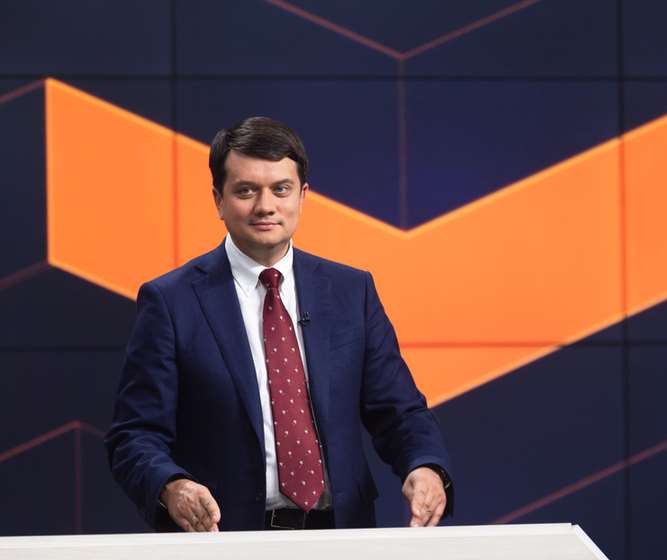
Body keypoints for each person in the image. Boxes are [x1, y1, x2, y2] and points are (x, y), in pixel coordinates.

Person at [105, 116, 453, 532]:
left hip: (342, 534)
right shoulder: (171, 301)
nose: (265, 206)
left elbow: (400, 411)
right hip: (226, 539)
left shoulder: (351, 291)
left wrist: (425, 466)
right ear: (218, 200)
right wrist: (172, 486)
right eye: (246, 190)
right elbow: (134, 435)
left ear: (303, 196)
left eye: (281, 189)